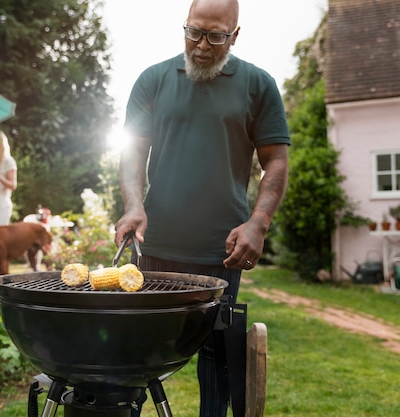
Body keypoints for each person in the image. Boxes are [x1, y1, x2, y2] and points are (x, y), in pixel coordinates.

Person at [113, 0, 290, 416]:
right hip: (152, 248)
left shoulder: (257, 84)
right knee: (140, 359)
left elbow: (275, 161)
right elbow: (132, 154)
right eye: (194, 32)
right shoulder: (153, 79)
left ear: (235, 34)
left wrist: (258, 222)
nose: (202, 45)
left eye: (216, 36)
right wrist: (133, 205)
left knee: (217, 364)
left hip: (222, 251)